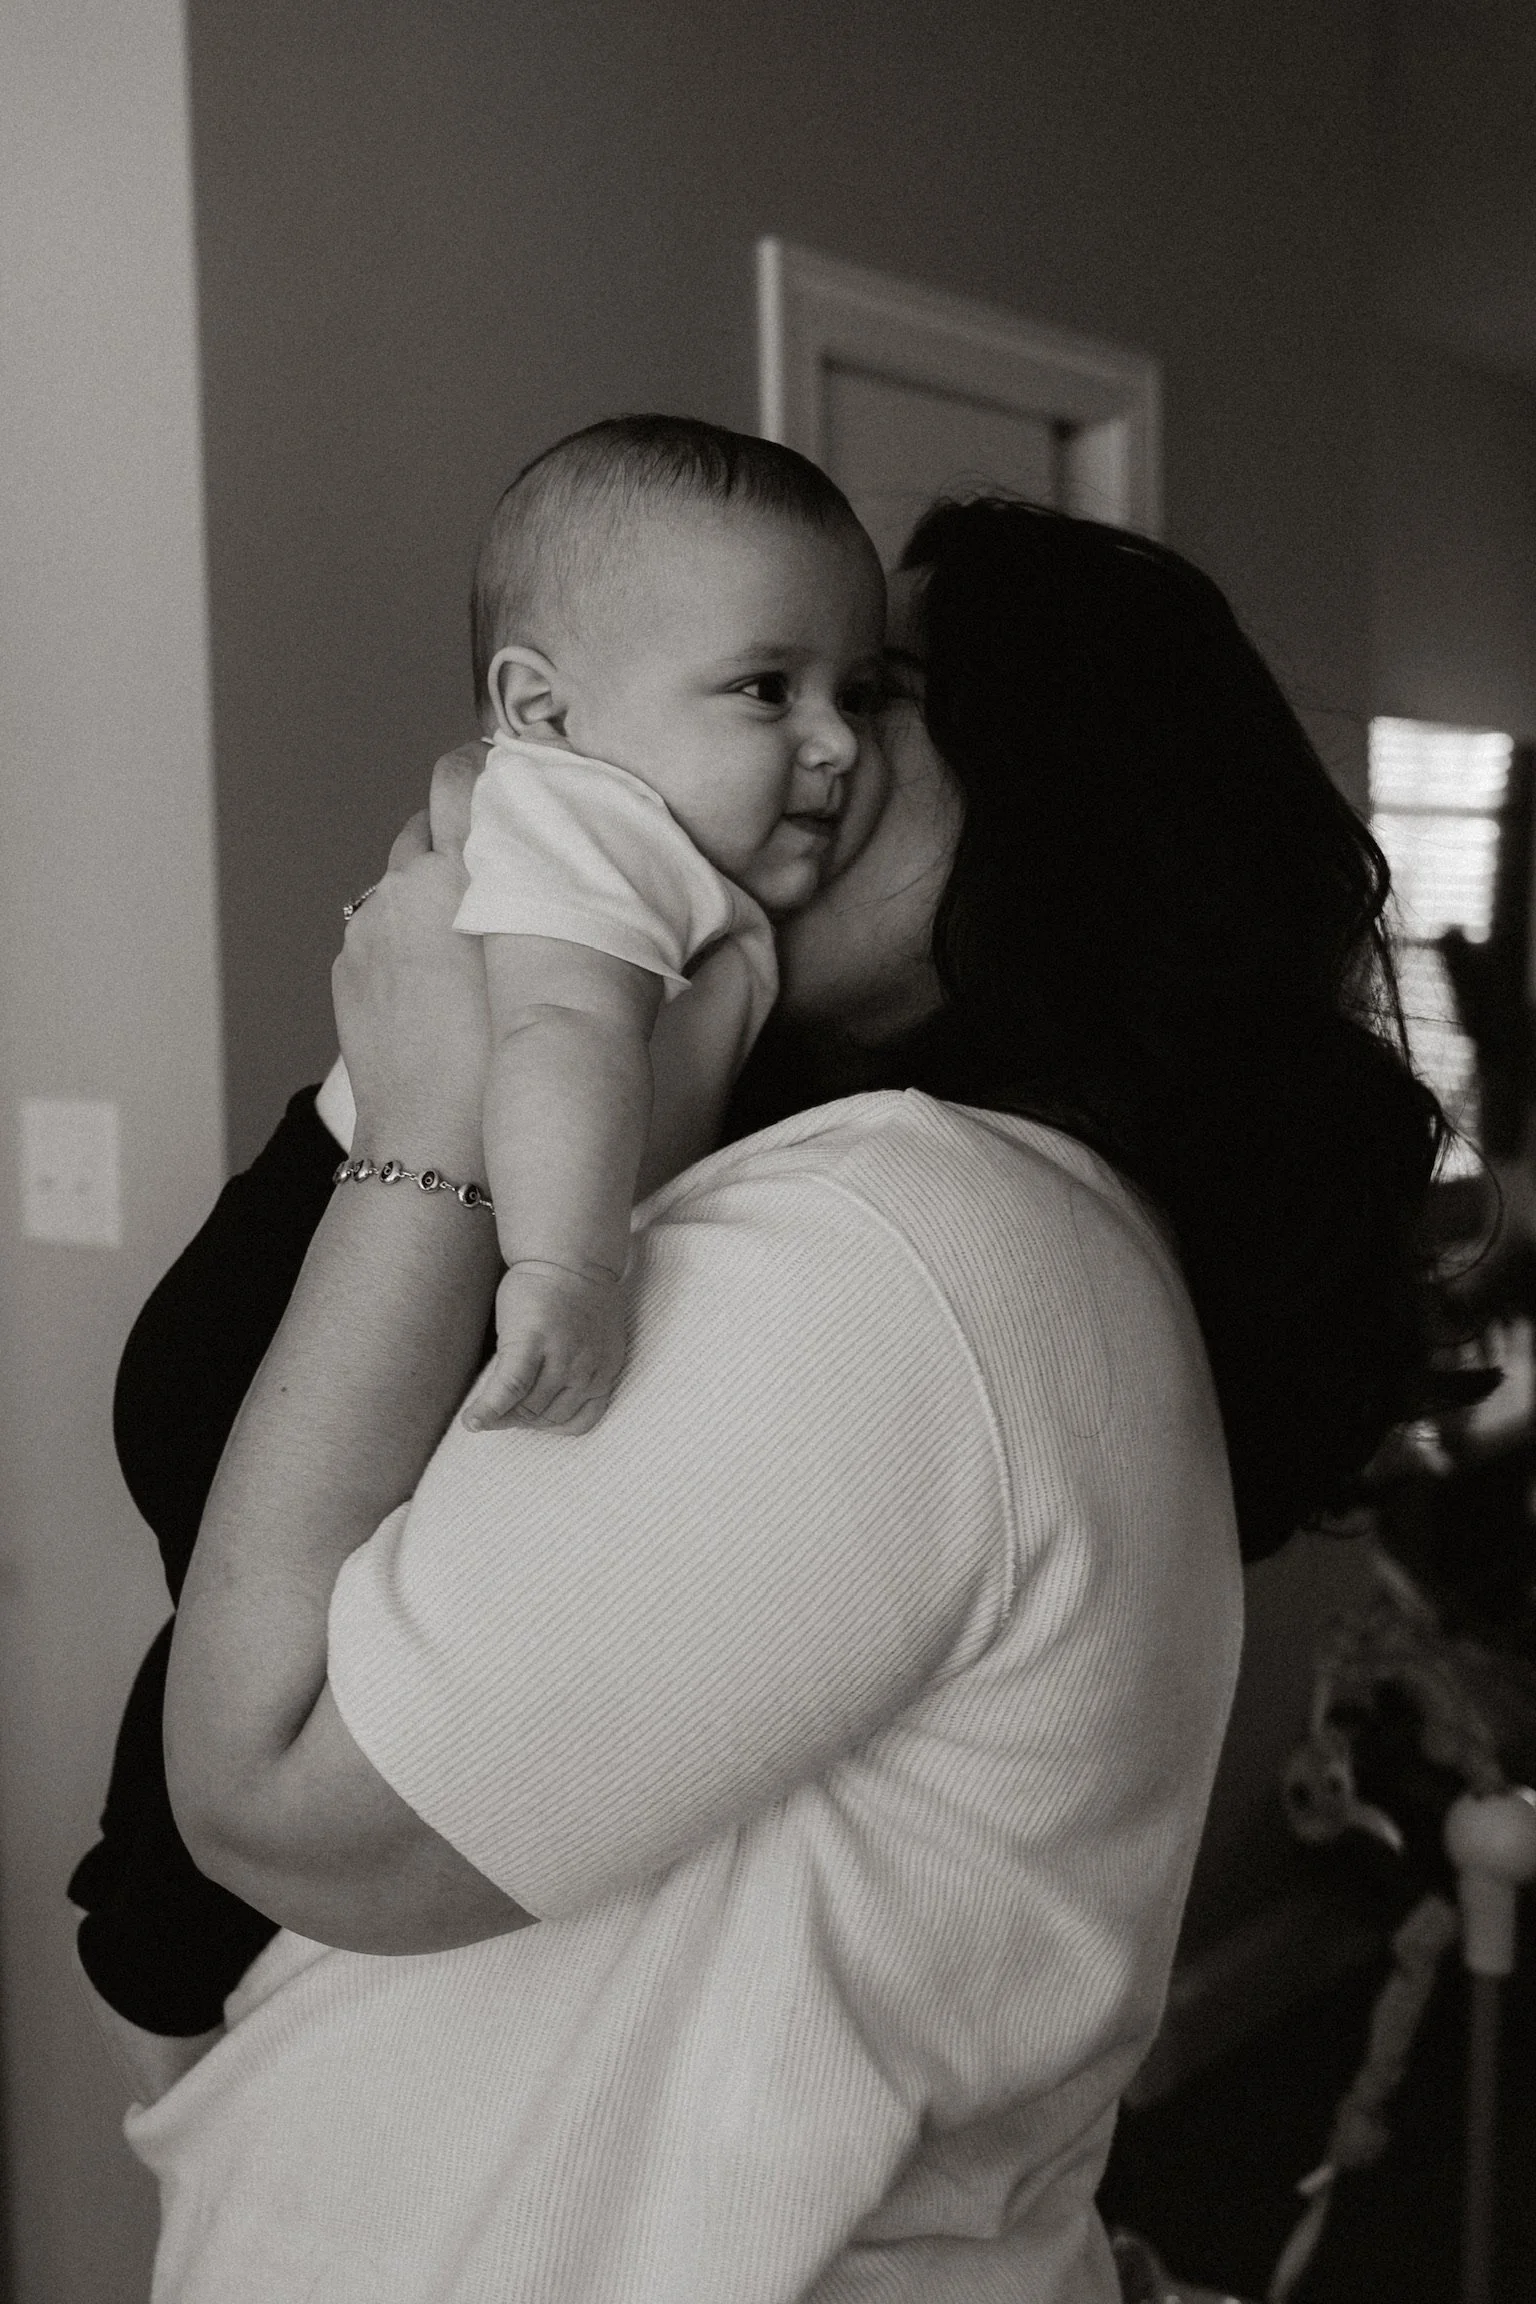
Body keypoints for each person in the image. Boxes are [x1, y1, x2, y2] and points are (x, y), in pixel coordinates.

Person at [73, 497, 1443, 2301]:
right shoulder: (920, 1209)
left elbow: (270, 1794)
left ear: (1071, 781)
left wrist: (422, 1116)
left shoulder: (919, 1232)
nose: (792, 748)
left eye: (872, 686)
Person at [450, 414, 887, 1434]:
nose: (838, 743)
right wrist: (566, 1268)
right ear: (547, 713)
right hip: (430, 1251)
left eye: (857, 695)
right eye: (766, 690)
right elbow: (564, 1029)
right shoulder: (588, 815)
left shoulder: (669, 852)